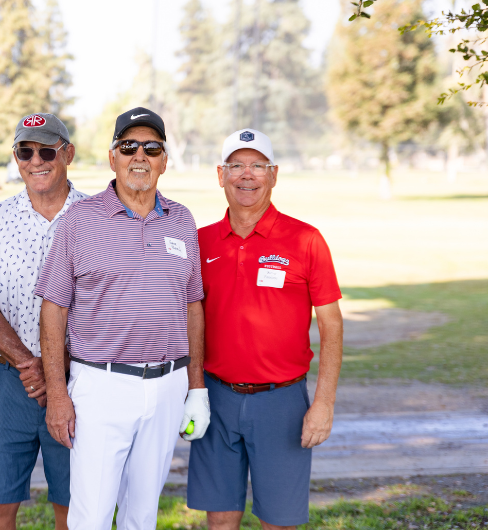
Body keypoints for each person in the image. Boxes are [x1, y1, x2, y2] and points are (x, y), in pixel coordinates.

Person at [35, 107, 212, 529]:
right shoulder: (80, 220)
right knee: (91, 515)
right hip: (101, 386)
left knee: (142, 515)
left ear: (164, 161)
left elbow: (193, 305)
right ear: (113, 157)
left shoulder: (183, 220)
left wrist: (196, 388)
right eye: (128, 146)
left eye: (152, 148)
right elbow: (53, 309)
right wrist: (58, 395)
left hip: (168, 385)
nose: (140, 156)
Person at [187, 129, 344, 530]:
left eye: (257, 165)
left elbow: (331, 324)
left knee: (280, 521)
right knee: (220, 520)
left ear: (274, 175)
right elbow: (189, 319)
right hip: (216, 398)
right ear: (220, 175)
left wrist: (323, 404)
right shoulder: (200, 242)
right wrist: (193, 390)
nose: (247, 175)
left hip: (282, 403)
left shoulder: (306, 239)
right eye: (237, 165)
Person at [0, 113, 87, 530]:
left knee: (76, 509)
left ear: (68, 153)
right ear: (16, 158)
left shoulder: (96, 217)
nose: (35, 160)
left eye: (46, 150)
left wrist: (56, 372)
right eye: (25, 150)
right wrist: (32, 367)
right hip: (10, 381)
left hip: (80, 380)